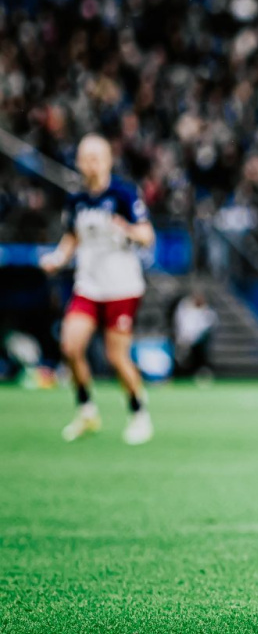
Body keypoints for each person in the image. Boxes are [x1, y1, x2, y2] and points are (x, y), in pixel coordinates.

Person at [39, 135, 155, 444]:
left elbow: (147, 235)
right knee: (70, 347)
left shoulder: (123, 194)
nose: (90, 164)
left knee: (116, 357)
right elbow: (72, 237)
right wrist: (58, 258)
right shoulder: (76, 200)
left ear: (107, 161)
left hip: (122, 286)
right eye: (85, 158)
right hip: (88, 285)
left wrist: (126, 229)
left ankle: (138, 413)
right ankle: (87, 411)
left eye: (96, 157)